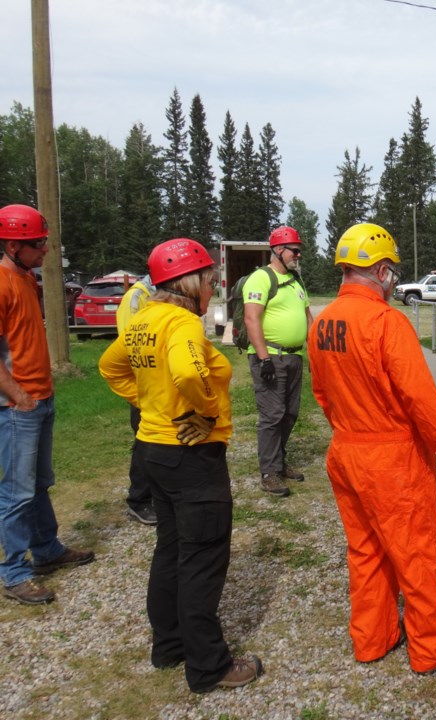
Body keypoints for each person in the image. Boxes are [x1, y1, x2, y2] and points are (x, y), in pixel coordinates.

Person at [307, 222, 436, 674]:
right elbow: (417, 395)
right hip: (391, 459)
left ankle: (373, 638)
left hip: (346, 450)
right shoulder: (386, 322)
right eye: (393, 272)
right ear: (381, 271)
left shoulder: (322, 322)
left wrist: (351, 430)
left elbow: (322, 392)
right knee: (415, 552)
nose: (395, 280)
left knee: (366, 550)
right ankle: (435, 648)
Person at [99, 238, 263, 693]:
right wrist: (207, 412)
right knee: (202, 557)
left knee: (170, 550)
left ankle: (168, 645)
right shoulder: (182, 323)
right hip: (192, 456)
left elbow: (109, 367)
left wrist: (149, 401)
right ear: (190, 283)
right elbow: (190, 374)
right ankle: (209, 665)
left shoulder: (142, 320)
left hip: (155, 450)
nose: (212, 288)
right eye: (210, 280)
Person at [0, 204, 95, 605]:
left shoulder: (26, 278)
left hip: (40, 396)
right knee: (17, 492)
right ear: (11, 245)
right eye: (36, 244)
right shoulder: (2, 282)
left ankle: (47, 550)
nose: (44, 250)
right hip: (17, 405)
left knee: (40, 484)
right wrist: (17, 396)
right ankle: (13, 571)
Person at [242, 225, 312, 497]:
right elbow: (251, 318)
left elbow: (308, 318)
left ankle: (279, 463)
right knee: (272, 415)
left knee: (290, 413)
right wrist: (263, 359)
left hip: (294, 357)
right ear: (278, 250)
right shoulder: (260, 279)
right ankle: (269, 473)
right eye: (295, 250)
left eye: (299, 250)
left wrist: (316, 350)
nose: (298, 255)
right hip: (270, 356)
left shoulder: (296, 281)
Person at [115, 273, 157, 525]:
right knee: (145, 443)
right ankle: (138, 501)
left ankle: (154, 496)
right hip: (143, 385)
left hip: (159, 384)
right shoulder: (137, 296)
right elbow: (132, 341)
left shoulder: (157, 295)